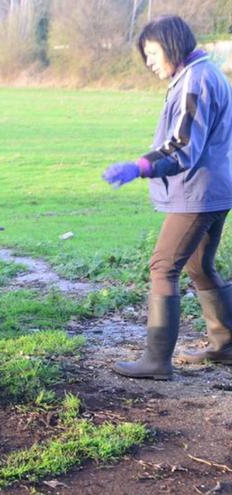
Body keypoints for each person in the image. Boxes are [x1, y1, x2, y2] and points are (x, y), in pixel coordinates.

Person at [102, 15, 232, 380]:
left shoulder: (196, 80)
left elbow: (182, 147)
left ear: (172, 45)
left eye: (153, 52)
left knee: (163, 267)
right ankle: (225, 346)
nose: (149, 62)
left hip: (198, 193)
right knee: (198, 265)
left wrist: (140, 166)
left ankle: (156, 361)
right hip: (215, 189)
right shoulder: (200, 74)